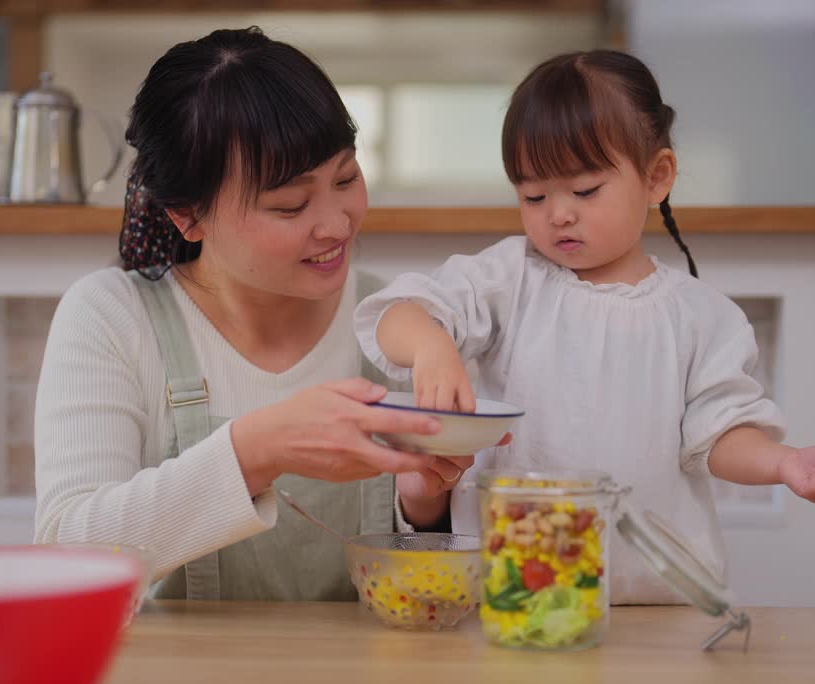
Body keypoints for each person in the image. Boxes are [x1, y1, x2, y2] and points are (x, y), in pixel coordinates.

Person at [354, 50, 815, 604]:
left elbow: (721, 436)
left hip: (653, 603)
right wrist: (431, 345)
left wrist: (786, 463)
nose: (558, 214)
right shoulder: (509, 278)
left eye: (585, 190)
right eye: (534, 195)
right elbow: (395, 312)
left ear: (656, 178)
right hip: (515, 602)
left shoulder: (702, 317)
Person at [34, 27, 484, 601]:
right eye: (290, 205)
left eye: (346, 178)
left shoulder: (393, 324)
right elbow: (64, 552)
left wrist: (424, 507)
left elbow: (432, 597)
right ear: (188, 217)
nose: (337, 223)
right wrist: (256, 451)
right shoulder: (111, 317)